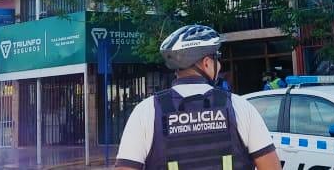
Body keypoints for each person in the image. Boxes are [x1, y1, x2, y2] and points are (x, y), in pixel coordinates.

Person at [115, 25, 281, 170]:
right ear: (207, 63)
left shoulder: (145, 112)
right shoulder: (240, 107)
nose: (220, 65)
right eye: (218, 57)